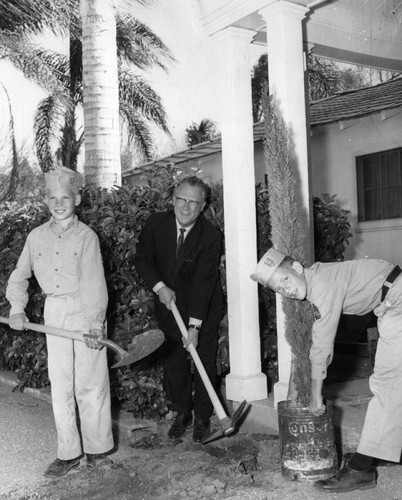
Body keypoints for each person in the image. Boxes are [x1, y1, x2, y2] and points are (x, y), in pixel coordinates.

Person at [251, 247, 402, 493]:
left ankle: (362, 469)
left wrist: (315, 395)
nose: (286, 289)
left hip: (398, 300)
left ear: (298, 268)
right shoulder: (317, 279)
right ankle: (378, 450)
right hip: (392, 300)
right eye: (279, 288)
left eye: (286, 279)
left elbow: (321, 345)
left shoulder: (320, 284)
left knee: (387, 384)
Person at [6, 167, 114, 477]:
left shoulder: (87, 237)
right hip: (55, 313)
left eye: (65, 197)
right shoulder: (36, 236)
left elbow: (94, 283)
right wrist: (17, 309)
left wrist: (95, 323)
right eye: (52, 197)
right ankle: (67, 453)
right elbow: (19, 276)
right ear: (45, 200)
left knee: (91, 384)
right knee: (62, 384)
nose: (58, 203)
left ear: (77, 198)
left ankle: (98, 451)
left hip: (84, 310)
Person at [134, 176, 223, 443]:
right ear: (173, 199)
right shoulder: (156, 224)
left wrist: (195, 327)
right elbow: (143, 259)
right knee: (174, 362)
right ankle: (183, 412)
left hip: (203, 307)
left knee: (204, 361)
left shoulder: (209, 236)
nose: (185, 208)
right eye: (181, 200)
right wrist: (159, 287)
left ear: (203, 206)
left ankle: (204, 417)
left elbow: (203, 284)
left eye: (193, 203)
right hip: (167, 303)